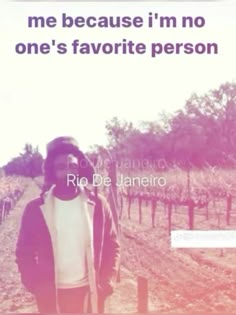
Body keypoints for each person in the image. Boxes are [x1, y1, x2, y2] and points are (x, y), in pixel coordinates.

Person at [15, 136, 120, 313]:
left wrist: (107, 281)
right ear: (52, 171)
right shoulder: (35, 209)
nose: (69, 172)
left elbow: (113, 245)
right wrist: (34, 284)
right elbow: (24, 251)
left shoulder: (99, 205)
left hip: (91, 292)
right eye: (61, 167)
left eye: (73, 166)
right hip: (51, 294)